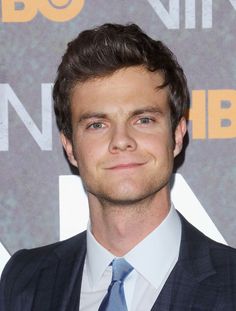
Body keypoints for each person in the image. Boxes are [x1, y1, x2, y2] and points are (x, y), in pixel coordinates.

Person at [0, 23, 236, 311]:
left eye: (143, 120)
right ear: (70, 147)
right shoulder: (25, 281)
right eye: (97, 125)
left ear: (177, 135)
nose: (121, 141)